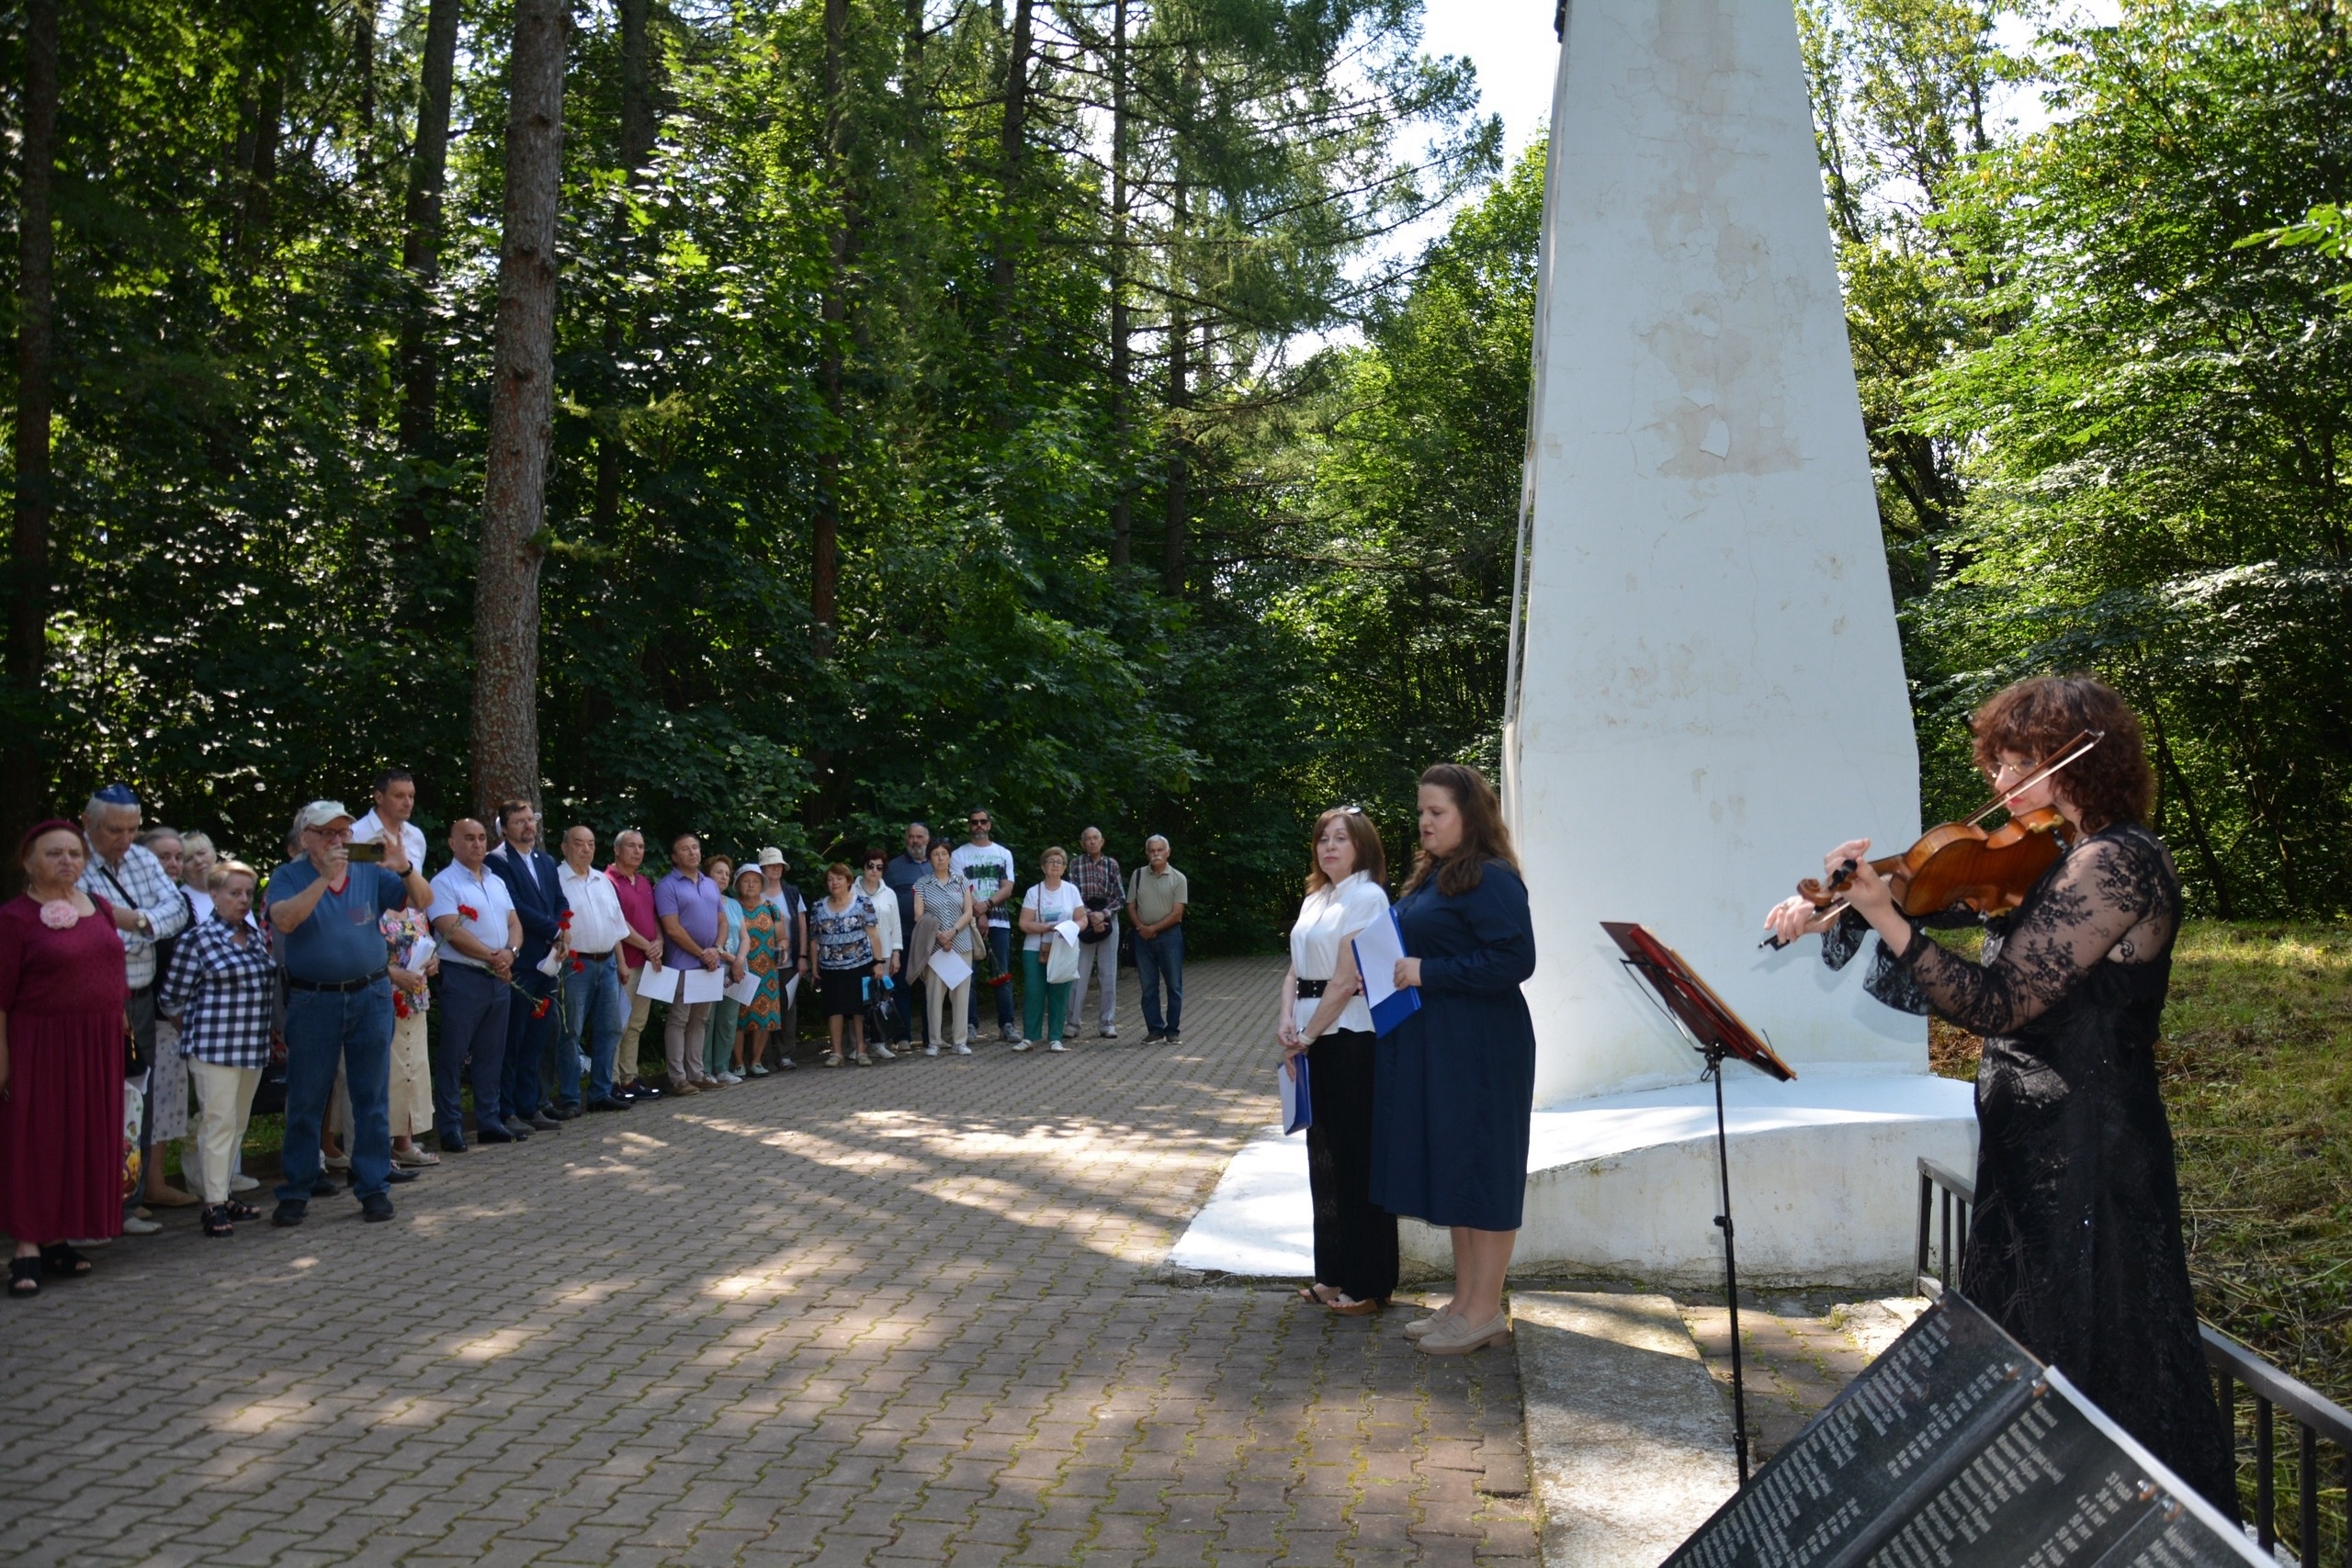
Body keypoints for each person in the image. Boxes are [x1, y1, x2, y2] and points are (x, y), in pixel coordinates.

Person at [1761, 674, 2237, 1514]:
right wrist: (1838, 900)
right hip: (2031, 1139)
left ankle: (2110, 1524)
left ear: (2077, 760)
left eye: (2019, 762)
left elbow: (1999, 1001)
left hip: (2089, 1147)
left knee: (2094, 1346)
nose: (2000, 780)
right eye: (1997, 763)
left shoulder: (2117, 862)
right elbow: (1947, 892)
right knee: (2028, 1344)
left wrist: (1885, 915)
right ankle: (2029, 1520)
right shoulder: (2052, 853)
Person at [1371, 765, 1535, 1357]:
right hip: (1445, 1044)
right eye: (1421, 811)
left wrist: (1429, 971)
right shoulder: (1438, 875)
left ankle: (1485, 1312)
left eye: (1436, 812)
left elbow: (1515, 959)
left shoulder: (1492, 878)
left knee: (1484, 1172)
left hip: (1485, 1048)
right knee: (1460, 1171)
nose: (1424, 821)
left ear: (1470, 815)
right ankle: (1465, 1302)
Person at [266, 799, 433, 1227]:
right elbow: (284, 921)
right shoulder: (288, 876)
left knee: (372, 1097)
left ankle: (373, 1186)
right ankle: (297, 1188)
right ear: (306, 838)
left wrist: (404, 867)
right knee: (307, 1098)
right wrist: (324, 879)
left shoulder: (368, 871)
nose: (338, 840)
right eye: (327, 833)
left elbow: (423, 900)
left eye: (343, 832)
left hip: (370, 996)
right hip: (313, 1000)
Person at [1, 820, 131, 1295]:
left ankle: (58, 1238)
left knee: (79, 1138)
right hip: (40, 1045)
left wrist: (119, 1014)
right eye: (54, 853)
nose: (67, 861)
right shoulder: (14, 918)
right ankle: (27, 1245)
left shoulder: (98, 906)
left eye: (74, 853)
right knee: (35, 1141)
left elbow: (112, 966)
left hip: (96, 1044)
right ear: (28, 862)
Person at [1278, 807, 1397, 1316]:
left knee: (1356, 1160)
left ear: (1362, 846)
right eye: (1323, 838)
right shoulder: (1316, 898)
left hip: (1349, 1037)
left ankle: (1369, 1283)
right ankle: (1333, 1273)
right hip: (1313, 1035)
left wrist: (1305, 1036)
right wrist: (1287, 1022)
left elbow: (1347, 979)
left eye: (1340, 838)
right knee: (1323, 1158)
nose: (1329, 846)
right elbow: (1294, 970)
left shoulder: (1367, 896)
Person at [79, 784, 191, 1235]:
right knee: (95, 1102)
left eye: (132, 830)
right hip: (96, 1002)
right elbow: (87, 930)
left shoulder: (142, 858)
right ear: (88, 824)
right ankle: (93, 1205)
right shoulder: (73, 860)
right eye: (114, 830)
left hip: (140, 998)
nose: (124, 840)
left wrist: (136, 920)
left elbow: (177, 910)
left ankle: (129, 1199)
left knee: (134, 1100)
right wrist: (141, 926)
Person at [157, 861, 276, 1237]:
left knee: (237, 1124)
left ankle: (223, 1194)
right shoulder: (197, 940)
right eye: (234, 893)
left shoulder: (255, 936)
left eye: (248, 893)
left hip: (252, 1045)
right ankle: (212, 1204)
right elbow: (171, 997)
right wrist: (194, 1030)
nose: (242, 900)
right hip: (213, 1049)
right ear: (214, 894)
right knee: (217, 1123)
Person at [425, 818, 523, 1151]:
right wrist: (493, 957)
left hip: (499, 976)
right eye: (469, 838)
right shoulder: (443, 882)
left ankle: (489, 1121)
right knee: (454, 1055)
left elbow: (514, 923)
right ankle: (450, 1127)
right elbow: (450, 929)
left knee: (491, 1054)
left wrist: (510, 953)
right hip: (463, 977)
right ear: (453, 843)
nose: (478, 844)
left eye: (482, 837)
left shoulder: (496, 880)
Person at [487, 801, 570, 1132]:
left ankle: (529, 1105)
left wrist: (563, 931)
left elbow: (560, 901)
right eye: (519, 821)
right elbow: (515, 905)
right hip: (521, 960)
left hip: (548, 962)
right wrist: (554, 931)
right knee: (514, 1038)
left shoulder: (545, 861)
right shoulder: (498, 861)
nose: (528, 826)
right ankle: (506, 1110)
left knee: (537, 1038)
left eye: (530, 820)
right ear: (504, 828)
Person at [135, 826, 200, 1213]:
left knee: (166, 1104)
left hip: (178, 1021)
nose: (173, 864)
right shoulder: (133, 905)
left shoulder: (181, 902)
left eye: (178, 856)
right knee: (140, 1105)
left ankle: (155, 1182)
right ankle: (131, 1190)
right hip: (147, 1017)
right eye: (164, 857)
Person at [556, 827, 633, 1113]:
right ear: (565, 847)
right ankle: (570, 1097)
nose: (586, 849)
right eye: (579, 843)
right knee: (571, 1032)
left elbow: (616, 926)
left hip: (608, 962)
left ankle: (601, 1092)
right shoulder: (556, 879)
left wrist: (621, 962)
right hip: (575, 964)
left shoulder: (602, 881)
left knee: (610, 1028)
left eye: (590, 843)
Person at [656, 832, 726, 1095]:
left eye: (695, 847)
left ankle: (696, 1074)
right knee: (679, 1019)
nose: (692, 852)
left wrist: (716, 950)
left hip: (710, 964)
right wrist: (702, 953)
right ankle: (678, 1078)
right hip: (684, 963)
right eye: (685, 849)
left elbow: (722, 921)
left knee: (700, 1020)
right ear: (675, 857)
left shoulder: (710, 884)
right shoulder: (667, 886)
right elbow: (672, 929)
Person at [605, 829, 665, 1100]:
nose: (638, 851)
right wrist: (647, 946)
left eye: (641, 846)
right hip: (623, 964)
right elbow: (617, 922)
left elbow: (653, 917)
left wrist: (659, 941)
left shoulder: (643, 881)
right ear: (617, 849)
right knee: (617, 1025)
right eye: (631, 846)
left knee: (636, 1024)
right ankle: (611, 1082)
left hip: (647, 964)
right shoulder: (607, 881)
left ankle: (629, 1078)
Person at [953, 810, 1021, 1043]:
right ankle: (969, 1025)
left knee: (1001, 975)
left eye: (983, 822)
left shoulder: (1003, 853)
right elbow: (960, 888)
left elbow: (1007, 887)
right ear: (969, 826)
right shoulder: (958, 855)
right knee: (967, 976)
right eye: (974, 822)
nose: (979, 825)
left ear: (989, 825)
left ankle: (1007, 1025)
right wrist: (978, 913)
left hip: (999, 922)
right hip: (967, 924)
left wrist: (986, 907)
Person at [808, 863, 885, 1066]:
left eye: (839, 878)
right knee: (834, 1009)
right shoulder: (818, 907)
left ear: (849, 881)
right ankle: (837, 1053)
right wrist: (814, 967)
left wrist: (878, 963)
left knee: (859, 1010)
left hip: (859, 965)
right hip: (830, 968)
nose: (834, 883)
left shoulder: (862, 903)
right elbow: (814, 940)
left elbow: (874, 935)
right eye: (830, 879)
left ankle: (861, 1051)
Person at [382, 894, 438, 1168]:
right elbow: (359, 953)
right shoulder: (369, 911)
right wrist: (394, 974)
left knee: (413, 1070)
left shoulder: (416, 914)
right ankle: (380, 1146)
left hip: (415, 999)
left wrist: (434, 961)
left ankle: (404, 1143)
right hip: (385, 999)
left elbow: (428, 947)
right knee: (389, 1074)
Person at [909, 840, 978, 1056]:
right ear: (929, 859)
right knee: (934, 995)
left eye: (944, 854)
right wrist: (940, 935)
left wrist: (952, 932)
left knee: (961, 995)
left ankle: (960, 1041)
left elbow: (968, 912)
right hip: (934, 947)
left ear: (949, 857)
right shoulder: (921, 884)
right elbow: (919, 915)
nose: (940, 858)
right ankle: (934, 1042)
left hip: (961, 944)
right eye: (935, 854)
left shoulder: (962, 881)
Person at [1016, 849, 1083, 1053]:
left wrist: (1069, 928)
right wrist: (1047, 928)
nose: (1055, 865)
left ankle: (1055, 1038)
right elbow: (1024, 923)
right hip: (1035, 948)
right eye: (1050, 861)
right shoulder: (1033, 892)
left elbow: (1082, 919)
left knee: (1059, 992)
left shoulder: (1071, 891)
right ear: (1043, 867)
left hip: (1063, 948)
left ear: (1064, 868)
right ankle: (1029, 1037)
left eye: (1059, 862)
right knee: (1034, 992)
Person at [1127, 835, 1188, 1047]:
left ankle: (1172, 1031)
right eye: (1152, 850)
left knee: (1174, 986)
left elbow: (1177, 913)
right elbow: (1131, 905)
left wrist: (1152, 929)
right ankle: (1154, 1030)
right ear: (1147, 853)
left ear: (1168, 852)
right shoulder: (1138, 875)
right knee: (1148, 987)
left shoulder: (1178, 878)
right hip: (1142, 937)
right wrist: (1140, 927)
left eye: (1160, 850)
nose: (1156, 854)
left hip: (1170, 937)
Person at [1069, 827, 1126, 1040]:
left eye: (1096, 838)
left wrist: (1103, 915)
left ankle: (1107, 1023)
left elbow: (1120, 897)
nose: (1092, 842)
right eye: (1088, 839)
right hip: (1083, 919)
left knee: (1108, 974)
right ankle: (1072, 1024)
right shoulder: (1075, 864)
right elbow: (1072, 895)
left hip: (1109, 919)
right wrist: (1090, 915)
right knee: (1079, 974)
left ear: (1102, 842)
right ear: (1082, 843)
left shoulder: (1112, 864)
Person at [730, 864, 784, 1077]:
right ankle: (738, 1063)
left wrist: (783, 950)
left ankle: (756, 1061)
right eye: (746, 881)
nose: (751, 885)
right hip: (740, 967)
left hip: (767, 971)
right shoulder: (732, 907)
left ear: (762, 884)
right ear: (738, 885)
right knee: (737, 1017)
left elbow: (782, 938)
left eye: (755, 881)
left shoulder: (772, 908)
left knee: (764, 1016)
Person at [882, 822, 932, 1044]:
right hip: (903, 937)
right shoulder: (892, 867)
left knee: (930, 986)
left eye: (919, 837)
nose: (915, 841)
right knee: (901, 986)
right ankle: (902, 1037)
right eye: (911, 836)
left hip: (932, 938)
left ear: (927, 839)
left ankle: (931, 1036)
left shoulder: (938, 864)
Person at [700, 854, 745, 1088]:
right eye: (719, 872)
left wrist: (739, 960)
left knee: (728, 1020)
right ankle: (704, 1069)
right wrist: (729, 958)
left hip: (734, 969)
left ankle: (722, 1068)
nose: (724, 877)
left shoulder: (734, 904)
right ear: (707, 874)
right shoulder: (702, 900)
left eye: (727, 874)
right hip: (710, 967)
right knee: (707, 1020)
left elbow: (745, 937)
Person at [758, 850, 808, 1062]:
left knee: (787, 1008)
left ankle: (785, 1055)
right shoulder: (754, 893)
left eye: (778, 865)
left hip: (788, 963)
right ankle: (761, 1057)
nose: (775, 868)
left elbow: (802, 927)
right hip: (759, 964)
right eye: (770, 865)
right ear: (762, 869)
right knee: (760, 1009)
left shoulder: (792, 893)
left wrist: (803, 956)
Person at [856, 851, 903, 1058]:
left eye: (879, 867)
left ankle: (879, 1043)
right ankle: (857, 1045)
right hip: (857, 955)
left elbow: (896, 926)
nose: (874, 870)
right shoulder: (851, 891)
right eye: (870, 865)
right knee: (858, 1001)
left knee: (881, 999)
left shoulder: (889, 893)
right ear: (863, 866)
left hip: (883, 953)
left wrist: (896, 953)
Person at [351, 769, 429, 874]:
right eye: (399, 796)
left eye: (411, 796)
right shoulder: (355, 835)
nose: (408, 803)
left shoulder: (416, 836)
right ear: (379, 797)